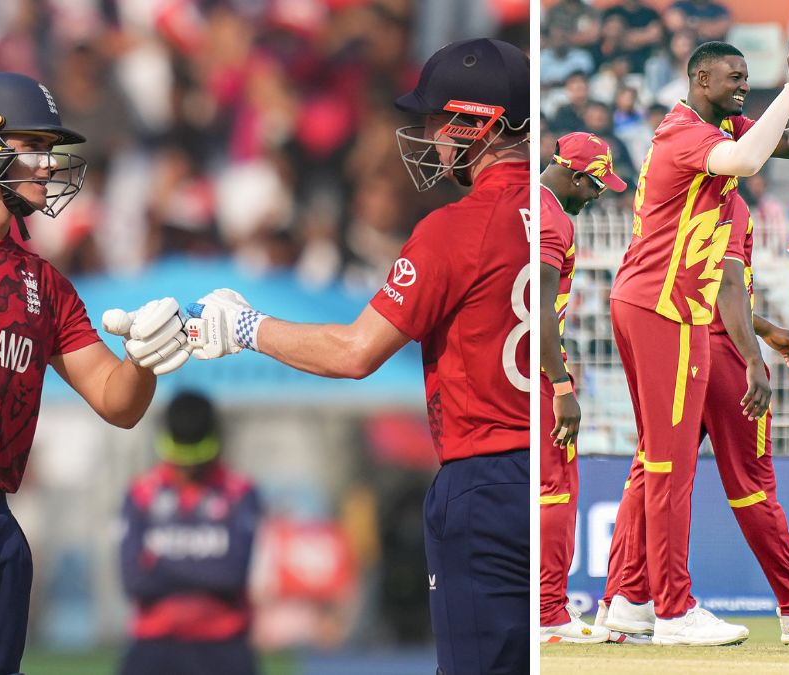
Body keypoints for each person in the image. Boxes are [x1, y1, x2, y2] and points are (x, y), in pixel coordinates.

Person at [182, 38, 530, 675]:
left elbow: (354, 352)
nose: (428, 136)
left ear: (478, 124)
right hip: (554, 474)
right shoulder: (561, 211)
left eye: (436, 120)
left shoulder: (454, 226)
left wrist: (247, 327)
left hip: (484, 478)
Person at [600, 28, 789, 646]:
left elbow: (788, 146)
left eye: (748, 77)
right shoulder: (686, 133)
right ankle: (674, 611)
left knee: (656, 463)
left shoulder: (721, 138)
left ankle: (631, 600)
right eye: (734, 78)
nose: (744, 85)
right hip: (665, 310)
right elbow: (748, 161)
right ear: (700, 81)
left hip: (657, 307)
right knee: (669, 467)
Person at [0, 71, 190, 675]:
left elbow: (116, 401)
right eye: (33, 146)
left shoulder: (44, 285)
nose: (49, 165)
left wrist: (143, 358)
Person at [538, 132, 627, 644]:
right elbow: (541, 314)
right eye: (595, 185)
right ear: (574, 175)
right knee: (556, 491)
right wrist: (560, 384)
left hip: (518, 373)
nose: (597, 196)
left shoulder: (532, 208)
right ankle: (550, 612)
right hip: (539, 376)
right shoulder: (553, 221)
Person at [119, 391, 262, 674]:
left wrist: (162, 567)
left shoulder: (239, 493)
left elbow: (231, 576)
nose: (188, 469)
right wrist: (202, 572)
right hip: (154, 644)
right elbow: (134, 582)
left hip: (224, 644)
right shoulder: (141, 494)